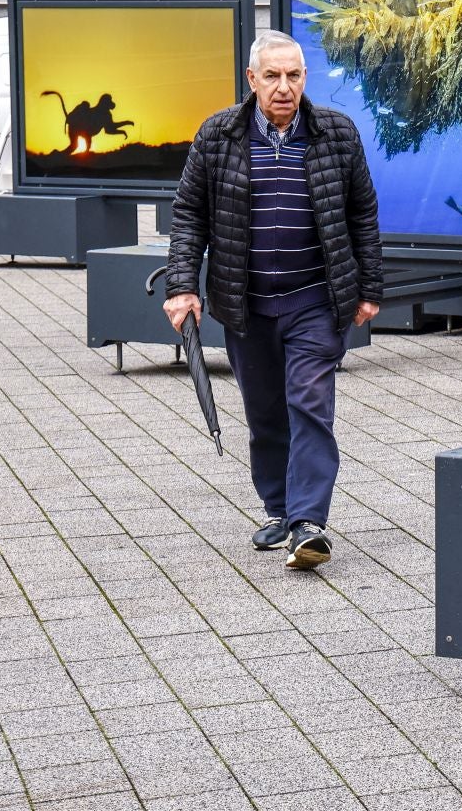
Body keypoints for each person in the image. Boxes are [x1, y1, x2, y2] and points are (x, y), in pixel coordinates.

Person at [164, 29, 382, 571]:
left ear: (305, 78)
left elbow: (362, 214)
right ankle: (280, 510)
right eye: (273, 76)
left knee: (309, 402)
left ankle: (309, 523)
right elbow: (189, 214)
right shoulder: (218, 136)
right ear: (252, 79)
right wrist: (182, 286)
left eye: (294, 75)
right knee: (264, 412)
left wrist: (370, 289)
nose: (284, 87)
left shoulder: (336, 132)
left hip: (317, 299)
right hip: (246, 302)